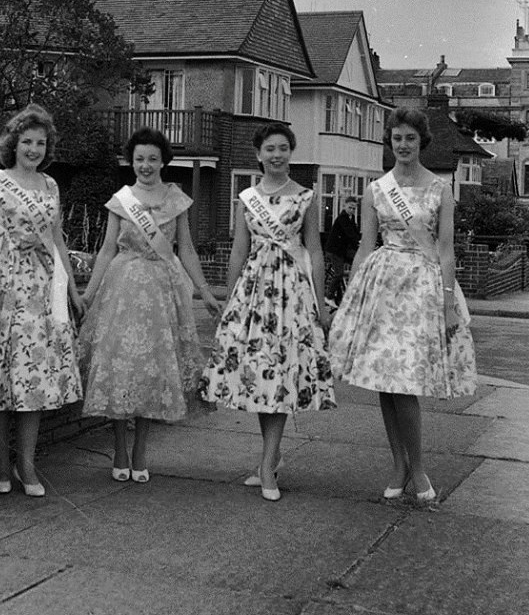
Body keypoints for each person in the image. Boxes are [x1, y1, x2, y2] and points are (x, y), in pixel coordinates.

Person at [329, 107, 477, 503]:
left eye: (410, 138)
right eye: (397, 138)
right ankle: (399, 465)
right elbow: (364, 246)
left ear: (421, 141)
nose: (404, 145)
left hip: (423, 290)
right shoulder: (376, 190)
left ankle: (419, 466)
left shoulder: (439, 189)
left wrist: (448, 305)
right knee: (385, 378)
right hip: (383, 286)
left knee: (405, 380)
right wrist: (352, 297)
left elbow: (445, 251)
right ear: (390, 141)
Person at [199, 122, 336, 502]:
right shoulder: (247, 199)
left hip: (291, 293)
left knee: (280, 373)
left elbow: (315, 251)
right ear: (258, 155)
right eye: (269, 149)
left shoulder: (306, 198)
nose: (276, 155)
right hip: (254, 294)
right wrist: (229, 299)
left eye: (283, 149)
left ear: (291, 153)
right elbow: (238, 251)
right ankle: (268, 461)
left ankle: (266, 464)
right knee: (261, 377)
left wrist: (320, 301)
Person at [79, 128, 220, 483]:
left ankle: (141, 450)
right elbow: (108, 248)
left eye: (152, 159)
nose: (145, 165)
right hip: (122, 289)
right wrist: (89, 293)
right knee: (122, 369)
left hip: (161, 291)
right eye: (139, 159)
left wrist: (204, 289)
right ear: (132, 161)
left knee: (151, 371)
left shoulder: (176, 199)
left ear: (163, 161)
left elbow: (185, 248)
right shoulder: (121, 200)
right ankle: (120, 449)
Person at [0, 105, 84, 498]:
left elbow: (57, 240)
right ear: (13, 144)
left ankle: (27, 465)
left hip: (41, 290)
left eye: (40, 142)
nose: (33, 149)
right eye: (26, 141)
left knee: (32, 377)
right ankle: (1, 464)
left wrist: (70, 288)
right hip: (4, 288)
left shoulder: (50, 186)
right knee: (2, 379)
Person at [323, 195, 361, 305]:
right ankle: (328, 296)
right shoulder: (342, 218)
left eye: (354, 208)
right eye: (350, 207)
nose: (352, 210)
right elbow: (349, 234)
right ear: (344, 206)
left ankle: (344, 292)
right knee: (338, 274)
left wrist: (361, 242)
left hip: (342, 250)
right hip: (334, 250)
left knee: (358, 262)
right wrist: (359, 242)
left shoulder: (351, 219)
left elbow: (355, 234)